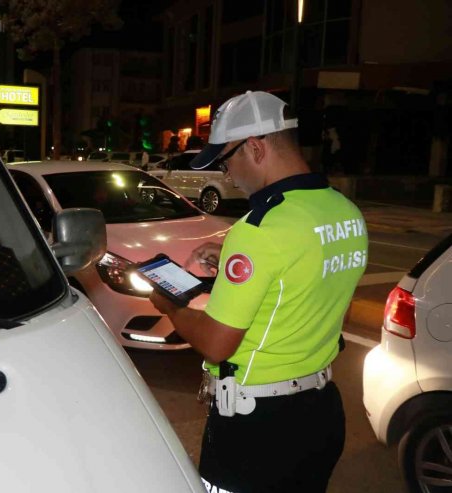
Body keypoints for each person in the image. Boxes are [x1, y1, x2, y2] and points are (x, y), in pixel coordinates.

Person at [149, 91, 368, 493]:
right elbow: (322, 298)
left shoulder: (258, 229)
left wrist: (168, 303)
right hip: (320, 412)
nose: (228, 174)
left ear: (255, 147)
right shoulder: (345, 211)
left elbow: (217, 345)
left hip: (257, 427)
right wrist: (242, 264)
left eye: (227, 159)